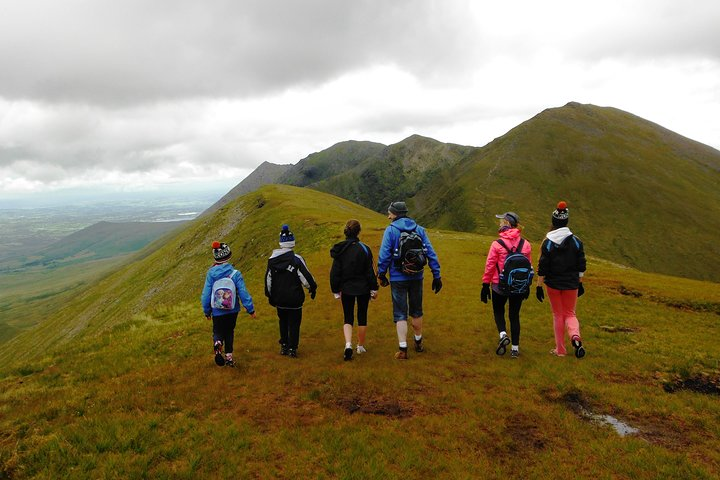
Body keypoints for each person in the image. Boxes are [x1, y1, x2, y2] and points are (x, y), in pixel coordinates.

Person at [377, 201, 442, 359]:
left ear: (395, 214)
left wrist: (381, 274)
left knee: (400, 313)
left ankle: (403, 349)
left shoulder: (391, 230)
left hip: (398, 277)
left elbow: (384, 254)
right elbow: (430, 253)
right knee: (416, 311)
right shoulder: (419, 229)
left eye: (390, 213)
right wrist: (436, 275)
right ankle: (418, 342)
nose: (388, 215)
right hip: (417, 276)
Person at [536, 201, 587, 358]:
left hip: (553, 284)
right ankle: (575, 337)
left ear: (554, 222)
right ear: (566, 222)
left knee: (558, 315)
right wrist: (580, 283)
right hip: (571, 283)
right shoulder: (576, 242)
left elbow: (543, 266)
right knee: (570, 313)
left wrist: (539, 285)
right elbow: (581, 265)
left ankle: (560, 350)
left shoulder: (548, 243)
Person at [481, 212, 532, 359]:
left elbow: (490, 266)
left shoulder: (497, 244)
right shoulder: (525, 244)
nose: (499, 223)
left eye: (501, 221)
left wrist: (485, 284)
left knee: (498, 312)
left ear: (507, 224)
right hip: (518, 286)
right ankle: (515, 349)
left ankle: (503, 334)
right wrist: (527, 285)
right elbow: (529, 266)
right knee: (514, 316)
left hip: (499, 285)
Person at [201, 241, 256, 367]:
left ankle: (218, 343)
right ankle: (229, 358)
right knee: (229, 331)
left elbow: (205, 295)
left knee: (218, 331)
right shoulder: (235, 274)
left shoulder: (211, 274)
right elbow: (243, 293)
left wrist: (207, 311)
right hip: (232, 310)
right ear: (228, 256)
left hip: (217, 310)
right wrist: (250, 309)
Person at [330, 219, 379, 361]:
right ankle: (360, 346)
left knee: (348, 317)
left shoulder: (340, 250)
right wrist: (374, 288)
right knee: (362, 316)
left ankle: (348, 344)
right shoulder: (364, 249)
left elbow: (335, 272)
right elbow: (370, 272)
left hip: (346, 288)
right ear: (359, 231)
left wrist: (335, 290)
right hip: (363, 288)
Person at [265, 224, 317, 358]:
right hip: (295, 299)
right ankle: (293, 348)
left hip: (279, 299)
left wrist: (270, 295)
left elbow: (268, 280)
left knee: (282, 320)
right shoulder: (296, 260)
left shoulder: (272, 261)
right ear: (292, 242)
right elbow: (306, 277)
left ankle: (284, 345)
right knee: (294, 323)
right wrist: (312, 288)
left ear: (281, 243)